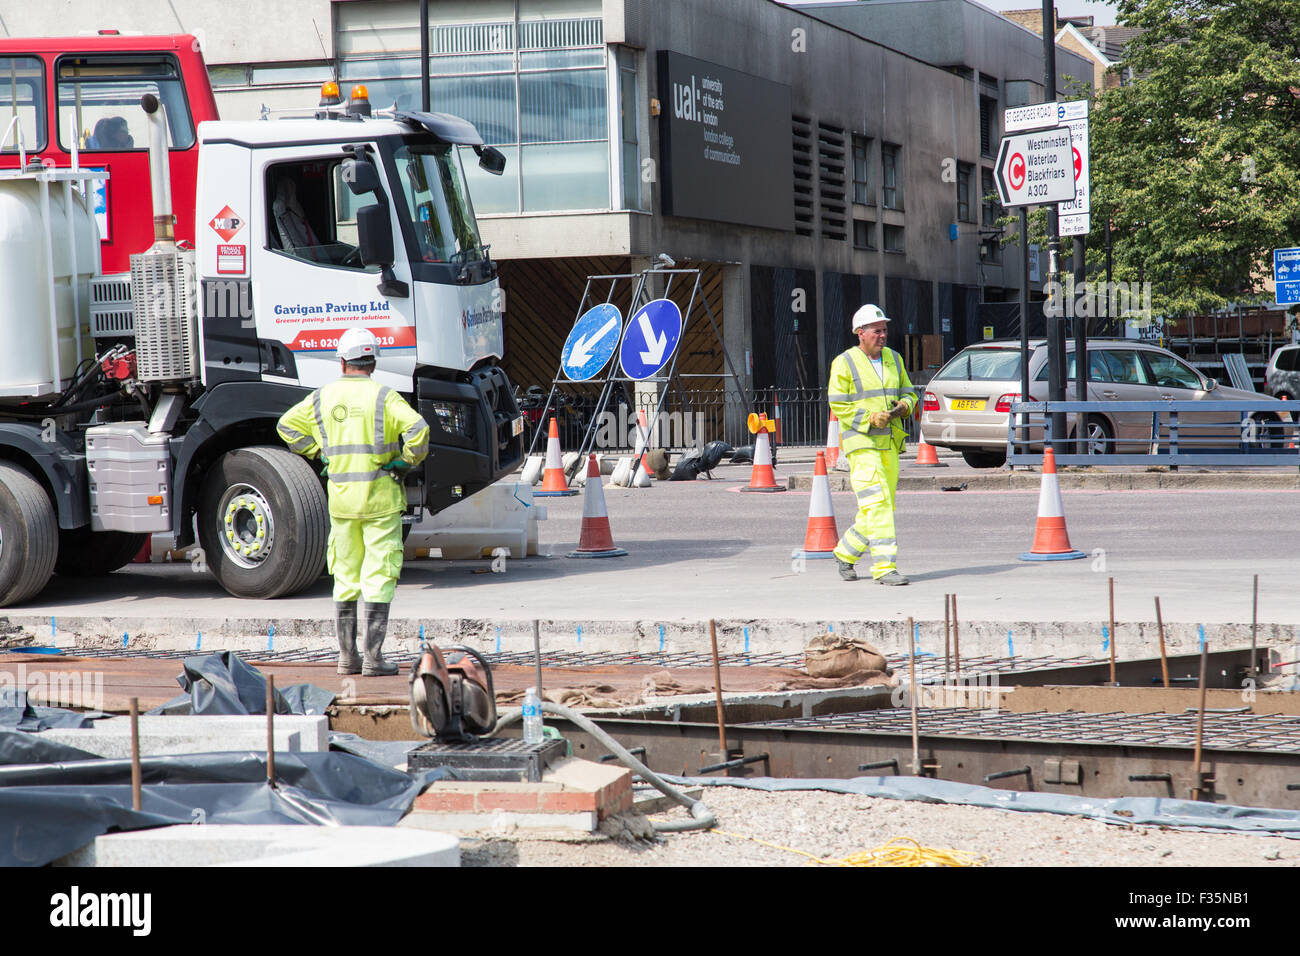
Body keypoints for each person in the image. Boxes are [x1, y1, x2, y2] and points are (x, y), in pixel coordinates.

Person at [276, 328, 430, 675]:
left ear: (342, 362)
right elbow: (419, 430)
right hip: (381, 501)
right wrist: (407, 460)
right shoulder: (384, 397)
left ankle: (347, 657)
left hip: (342, 502)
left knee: (345, 575)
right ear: (372, 362)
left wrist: (318, 453)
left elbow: (287, 426)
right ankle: (374, 658)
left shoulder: (322, 397)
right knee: (379, 574)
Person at [827, 304, 918, 585]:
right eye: (877, 331)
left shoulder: (894, 358)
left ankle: (846, 552)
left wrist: (905, 405)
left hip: (889, 443)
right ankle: (884, 568)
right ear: (860, 333)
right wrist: (869, 418)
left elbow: (909, 391)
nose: (883, 335)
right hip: (862, 444)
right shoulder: (844, 362)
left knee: (881, 506)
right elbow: (838, 403)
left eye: (885, 330)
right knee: (877, 502)